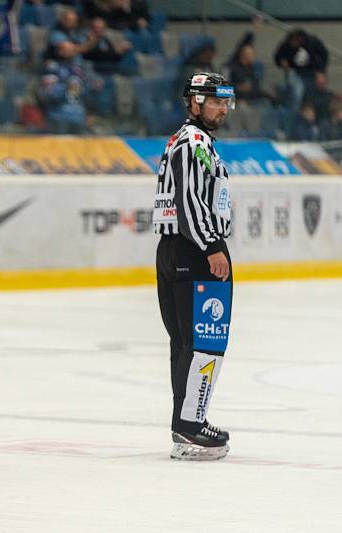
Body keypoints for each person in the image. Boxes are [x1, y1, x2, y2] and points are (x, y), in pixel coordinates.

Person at [153, 72, 234, 461]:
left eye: (225, 102)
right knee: (203, 342)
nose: (222, 109)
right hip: (195, 252)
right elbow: (189, 204)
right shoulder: (193, 142)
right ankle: (189, 425)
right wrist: (213, 245)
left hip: (179, 250)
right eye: (216, 101)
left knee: (187, 342)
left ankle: (185, 422)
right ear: (195, 102)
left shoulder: (191, 141)